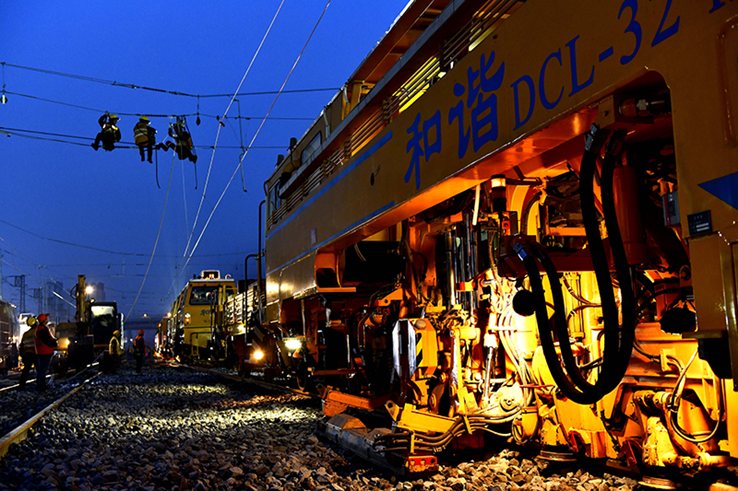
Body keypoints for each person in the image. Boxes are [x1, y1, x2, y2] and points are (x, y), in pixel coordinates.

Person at [34, 313, 57, 391]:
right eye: (46, 318)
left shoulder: (42, 328)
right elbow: (47, 341)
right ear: (44, 320)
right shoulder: (42, 330)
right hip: (44, 352)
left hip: (43, 352)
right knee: (42, 369)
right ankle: (40, 386)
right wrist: (54, 343)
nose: (48, 319)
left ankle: (42, 385)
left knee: (43, 369)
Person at [18, 316, 38, 390]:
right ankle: (40, 385)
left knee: (25, 370)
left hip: (27, 354)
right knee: (39, 370)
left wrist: (22, 355)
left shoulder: (26, 334)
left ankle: (21, 385)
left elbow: (21, 346)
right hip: (36, 353)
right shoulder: (37, 332)